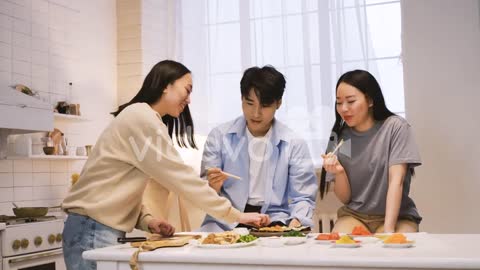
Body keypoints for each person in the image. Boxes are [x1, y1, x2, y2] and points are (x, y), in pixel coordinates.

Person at [61, 60, 268, 270]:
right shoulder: (141, 118)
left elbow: (119, 186)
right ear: (165, 84)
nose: (189, 100)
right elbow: (181, 178)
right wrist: (237, 215)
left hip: (95, 228)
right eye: (187, 90)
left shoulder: (142, 117)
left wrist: (148, 221)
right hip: (91, 229)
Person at [199, 65, 318, 232]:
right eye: (249, 103)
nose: (256, 113)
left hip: (274, 219)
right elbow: (204, 192)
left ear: (278, 103)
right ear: (241, 99)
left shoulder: (294, 143)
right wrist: (212, 187)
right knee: (206, 250)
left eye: (265, 105)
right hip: (225, 220)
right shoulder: (219, 137)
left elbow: (303, 197)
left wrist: (296, 222)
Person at [319, 69, 422, 234]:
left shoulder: (395, 128)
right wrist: (339, 172)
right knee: (341, 245)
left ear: (370, 101)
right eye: (339, 102)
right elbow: (345, 198)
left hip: (398, 216)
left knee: (390, 250)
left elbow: (397, 182)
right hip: (355, 215)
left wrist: (388, 230)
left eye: (350, 101)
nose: (343, 108)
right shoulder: (341, 137)